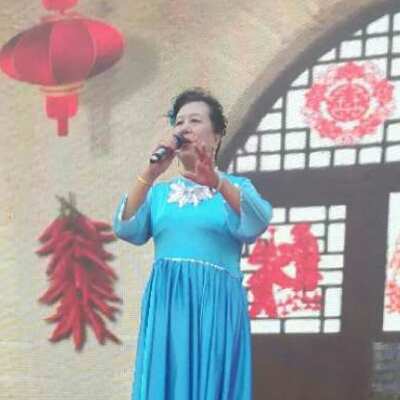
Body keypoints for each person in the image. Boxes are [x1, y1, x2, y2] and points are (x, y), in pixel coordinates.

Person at [112, 87, 273, 400]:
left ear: (217, 136)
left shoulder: (235, 187)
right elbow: (126, 226)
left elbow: (257, 221)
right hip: (168, 304)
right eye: (179, 122)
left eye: (195, 121)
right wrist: (150, 173)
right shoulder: (159, 193)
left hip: (216, 304)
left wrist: (218, 182)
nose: (184, 128)